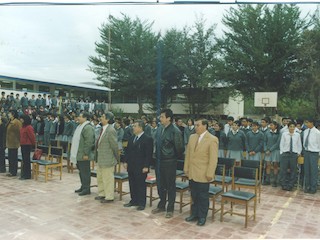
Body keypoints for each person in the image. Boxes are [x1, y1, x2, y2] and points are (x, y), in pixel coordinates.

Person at [184, 119, 218, 226]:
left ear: (205, 126)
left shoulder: (212, 139)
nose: (195, 127)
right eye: (195, 125)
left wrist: (210, 173)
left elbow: (213, 159)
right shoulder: (192, 137)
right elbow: (188, 154)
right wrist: (186, 168)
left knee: (203, 196)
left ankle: (202, 216)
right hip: (192, 172)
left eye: (197, 125)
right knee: (194, 195)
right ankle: (194, 214)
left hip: (203, 173)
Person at [152, 109, 184, 218]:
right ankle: (161, 205)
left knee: (170, 185)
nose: (159, 119)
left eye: (162, 117)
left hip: (169, 162)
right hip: (159, 161)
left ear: (168, 118)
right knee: (160, 184)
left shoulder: (175, 131)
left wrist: (171, 156)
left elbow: (180, 148)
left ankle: (170, 208)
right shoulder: (160, 129)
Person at [123, 120, 153, 210]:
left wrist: (146, 166)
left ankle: (141, 203)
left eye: (135, 126)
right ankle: (133, 200)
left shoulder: (147, 139)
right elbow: (127, 151)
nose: (133, 128)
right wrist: (125, 161)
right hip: (131, 165)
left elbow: (148, 154)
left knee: (140, 184)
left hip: (141, 166)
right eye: (133, 126)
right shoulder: (132, 138)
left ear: (140, 127)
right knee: (132, 183)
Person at [95, 112, 119, 203]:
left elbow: (114, 146)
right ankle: (102, 194)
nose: (101, 118)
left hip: (108, 159)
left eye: (103, 117)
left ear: (108, 119)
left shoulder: (111, 130)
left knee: (108, 178)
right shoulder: (102, 129)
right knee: (100, 177)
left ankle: (109, 196)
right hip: (100, 158)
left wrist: (116, 158)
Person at [71, 112, 95, 196]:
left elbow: (88, 142)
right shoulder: (80, 126)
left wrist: (86, 153)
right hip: (79, 153)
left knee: (85, 172)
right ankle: (83, 186)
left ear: (85, 118)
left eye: (80, 117)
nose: (78, 118)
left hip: (84, 154)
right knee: (81, 171)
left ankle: (87, 188)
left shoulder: (88, 127)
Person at [279, 121, 302, 191]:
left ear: (295, 128)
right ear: (288, 127)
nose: (292, 128)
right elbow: (281, 144)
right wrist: (282, 152)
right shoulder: (284, 134)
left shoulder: (297, 135)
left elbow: (299, 145)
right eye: (290, 127)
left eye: (293, 127)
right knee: (283, 170)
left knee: (293, 170)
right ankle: (283, 184)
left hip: (294, 155)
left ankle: (291, 185)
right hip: (285, 154)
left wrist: (298, 152)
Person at [302, 118, 320, 194]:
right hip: (306, 152)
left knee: (313, 171)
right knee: (307, 170)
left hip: (314, 153)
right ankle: (307, 186)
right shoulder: (305, 131)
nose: (306, 124)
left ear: (312, 123)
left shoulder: (317, 132)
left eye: (307, 122)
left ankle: (313, 187)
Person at [263, 121, 281, 186]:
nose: (270, 126)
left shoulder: (279, 133)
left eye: (272, 125)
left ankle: (275, 181)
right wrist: (265, 149)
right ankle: (267, 180)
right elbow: (264, 141)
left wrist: (270, 150)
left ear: (276, 126)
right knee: (268, 165)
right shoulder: (267, 132)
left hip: (275, 151)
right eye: (270, 125)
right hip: (267, 151)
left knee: (275, 165)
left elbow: (277, 143)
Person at [6, 110, 22, 177]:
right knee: (10, 157)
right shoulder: (9, 121)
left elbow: (19, 132)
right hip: (9, 142)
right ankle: (10, 171)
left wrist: (18, 141)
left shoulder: (17, 122)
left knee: (13, 157)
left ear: (13, 114)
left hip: (14, 142)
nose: (8, 114)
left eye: (9, 113)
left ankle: (13, 171)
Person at [19, 114, 36, 180]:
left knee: (26, 160)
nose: (21, 120)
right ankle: (24, 174)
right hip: (23, 144)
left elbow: (32, 136)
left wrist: (33, 144)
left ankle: (27, 175)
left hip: (27, 145)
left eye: (22, 119)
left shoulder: (29, 127)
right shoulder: (23, 126)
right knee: (24, 159)